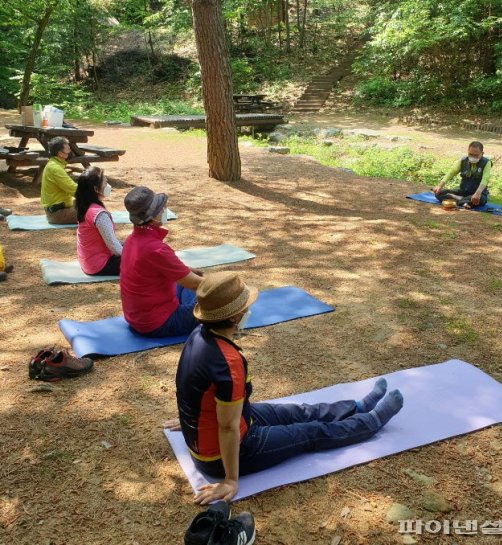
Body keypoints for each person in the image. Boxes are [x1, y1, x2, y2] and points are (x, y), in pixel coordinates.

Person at [173, 271, 404, 504]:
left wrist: (190, 419)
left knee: (298, 412)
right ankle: (370, 422)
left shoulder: (199, 333)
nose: (247, 310)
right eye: (245, 306)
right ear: (235, 316)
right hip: (226, 453)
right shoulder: (227, 362)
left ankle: (357, 406)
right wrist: (231, 479)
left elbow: (189, 386)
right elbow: (227, 427)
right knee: (309, 431)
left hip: (240, 420)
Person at [120, 186, 203, 337]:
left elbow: (151, 269)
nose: (165, 210)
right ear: (153, 216)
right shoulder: (156, 249)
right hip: (158, 323)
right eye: (162, 208)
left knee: (188, 284)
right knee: (216, 301)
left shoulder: (132, 241)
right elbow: (197, 284)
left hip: (137, 318)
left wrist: (188, 271)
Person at [75, 166, 122, 276]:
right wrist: (133, 253)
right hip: (100, 265)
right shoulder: (99, 215)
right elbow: (114, 247)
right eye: (105, 183)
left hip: (88, 262)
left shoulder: (86, 206)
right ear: (96, 189)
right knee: (144, 259)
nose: (108, 186)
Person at [433, 141, 491, 208]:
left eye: (476, 155)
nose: (473, 157)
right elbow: (451, 173)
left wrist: (477, 194)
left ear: (482, 154)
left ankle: (458, 200)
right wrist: (439, 186)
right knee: (439, 194)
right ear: (468, 152)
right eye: (470, 154)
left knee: (480, 200)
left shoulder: (486, 162)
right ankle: (463, 202)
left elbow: (485, 179)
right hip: (462, 191)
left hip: (477, 194)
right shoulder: (463, 160)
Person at [40, 137, 78, 224]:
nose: (70, 151)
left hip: (57, 211)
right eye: (68, 149)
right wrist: (94, 192)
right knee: (93, 211)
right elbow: (75, 190)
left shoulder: (54, 164)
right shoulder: (55, 168)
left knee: (87, 203)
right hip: (58, 214)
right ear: (60, 154)